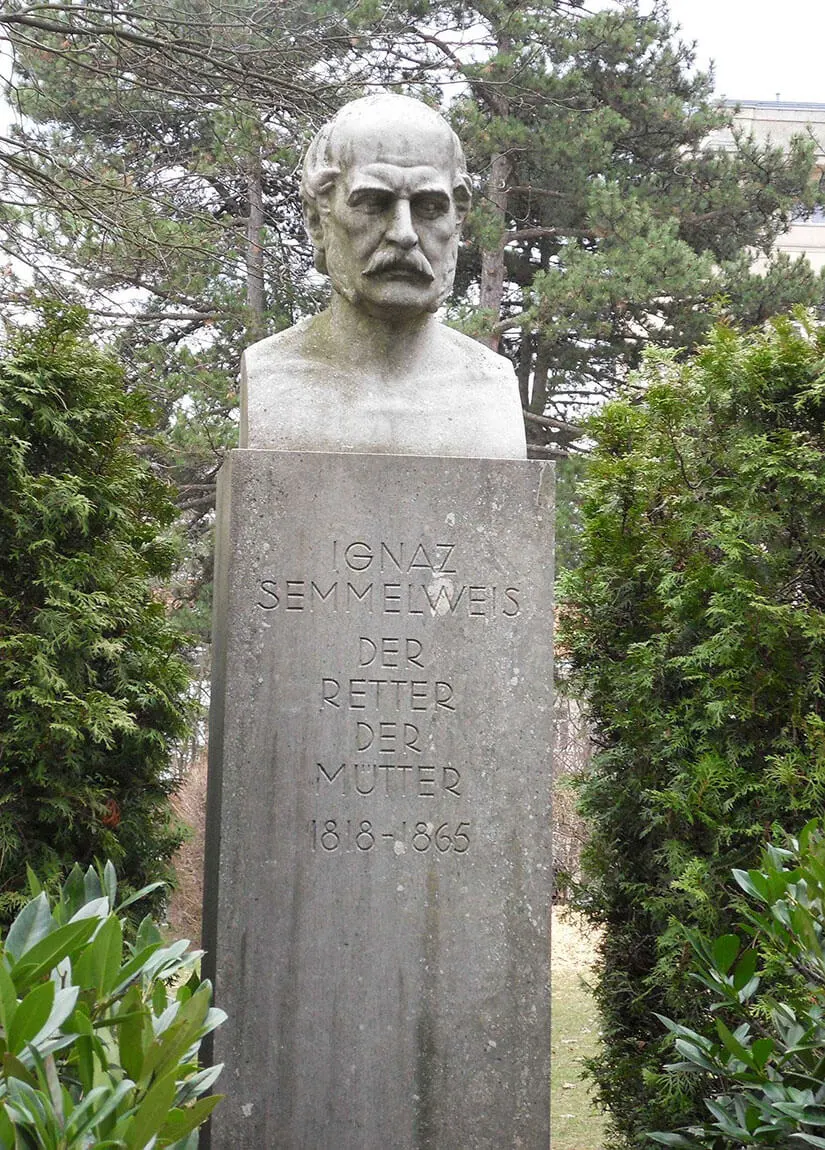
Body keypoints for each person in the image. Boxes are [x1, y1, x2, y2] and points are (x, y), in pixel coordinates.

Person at [241, 93, 526, 458]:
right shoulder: (271, 377)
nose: (404, 234)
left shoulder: (492, 387)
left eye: (429, 207)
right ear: (316, 220)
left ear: (457, 219)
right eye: (373, 203)